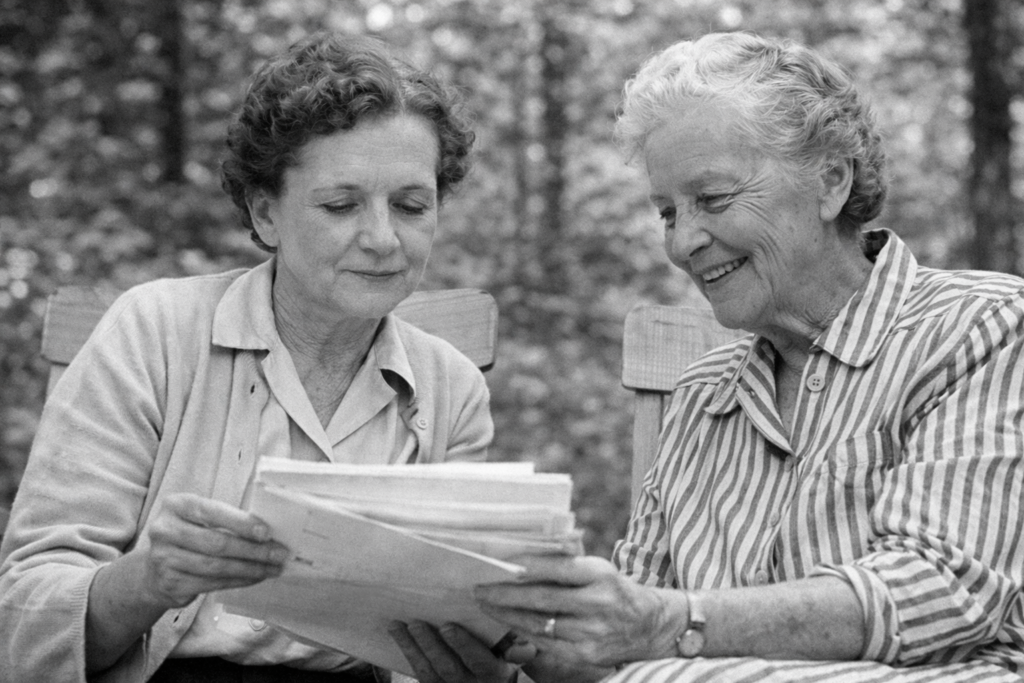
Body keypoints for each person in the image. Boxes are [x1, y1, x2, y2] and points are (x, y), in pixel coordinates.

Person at [390, 31, 1024, 683]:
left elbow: (942, 586)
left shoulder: (982, 327)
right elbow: (629, 635)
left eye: (713, 200)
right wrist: (521, 655)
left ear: (830, 180)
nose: (684, 241)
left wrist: (673, 624)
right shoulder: (704, 397)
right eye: (667, 212)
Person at [0, 32, 492, 683]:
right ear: (265, 215)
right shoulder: (155, 333)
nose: (382, 238)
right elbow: (19, 625)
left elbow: (453, 638)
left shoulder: (449, 389)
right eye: (341, 204)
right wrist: (146, 580)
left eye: (410, 205)